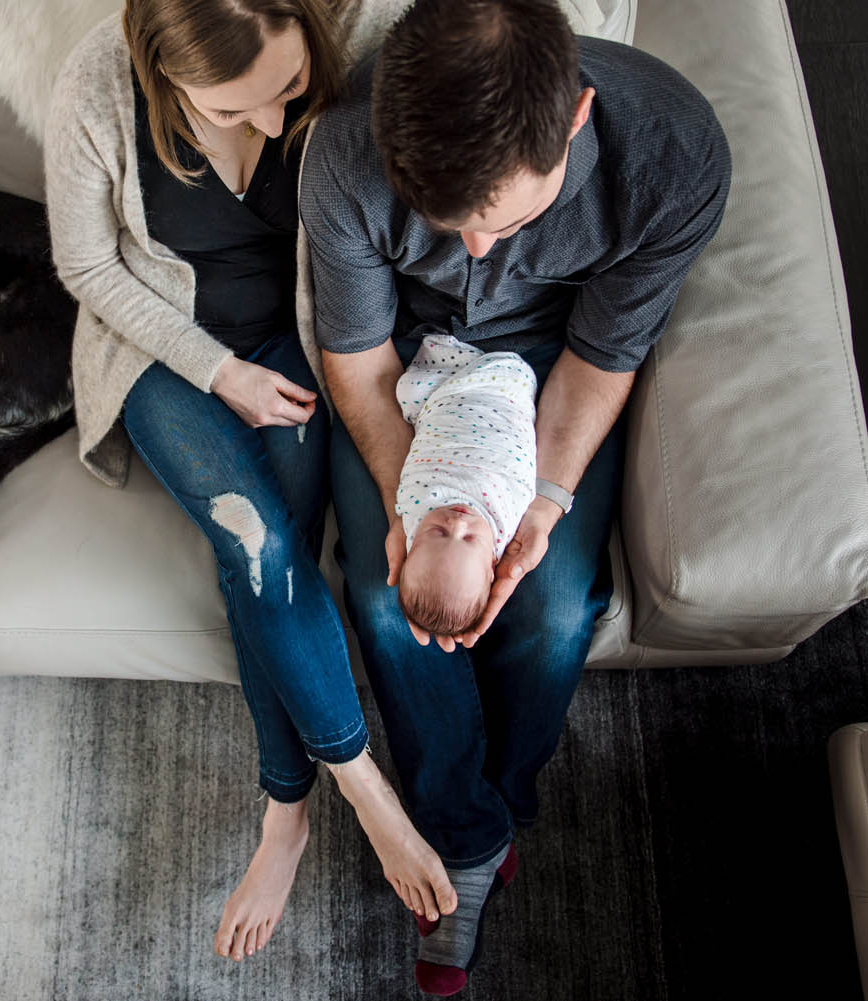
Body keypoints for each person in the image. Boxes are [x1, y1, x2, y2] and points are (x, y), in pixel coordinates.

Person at [300, 0, 730, 993]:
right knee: (380, 596)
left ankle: (504, 796)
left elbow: (600, 354)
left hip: (553, 365)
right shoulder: (343, 152)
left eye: (505, 218)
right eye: (451, 228)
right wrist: (413, 500)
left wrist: (536, 504)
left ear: (573, 119)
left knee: (547, 610)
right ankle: (463, 833)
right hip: (407, 369)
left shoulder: (669, 152)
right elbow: (356, 358)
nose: (479, 257)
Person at [44, 0, 456, 965]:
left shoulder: (337, 40)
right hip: (163, 350)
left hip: (296, 342)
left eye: (286, 94)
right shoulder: (95, 87)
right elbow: (84, 263)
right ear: (161, 71)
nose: (273, 124)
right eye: (236, 110)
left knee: (270, 561)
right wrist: (215, 370)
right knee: (254, 540)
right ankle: (348, 792)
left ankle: (283, 810)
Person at [394, 334, 538, 636]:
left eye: (438, 532)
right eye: (471, 540)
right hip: (501, 396)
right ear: (491, 569)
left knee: (408, 389)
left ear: (412, 544)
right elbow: (523, 477)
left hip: (449, 405)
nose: (458, 523)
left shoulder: (413, 510)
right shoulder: (506, 522)